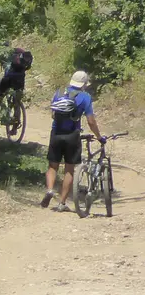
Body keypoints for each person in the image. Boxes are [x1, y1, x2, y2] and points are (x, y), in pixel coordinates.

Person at [43, 70, 103, 212]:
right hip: (72, 135)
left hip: (56, 133)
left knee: (53, 166)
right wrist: (99, 136)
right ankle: (62, 203)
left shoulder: (59, 92)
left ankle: (50, 190)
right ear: (84, 84)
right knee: (69, 169)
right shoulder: (85, 97)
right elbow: (91, 121)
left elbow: (53, 114)